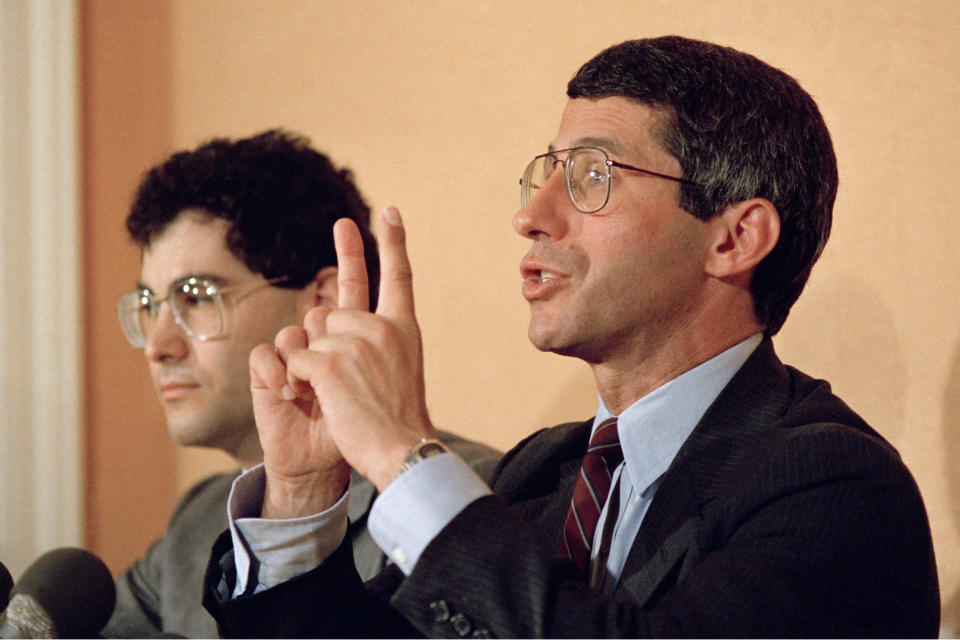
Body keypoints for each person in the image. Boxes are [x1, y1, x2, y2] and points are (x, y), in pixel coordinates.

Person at [202, 37, 940, 637]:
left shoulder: (836, 488)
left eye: (591, 174)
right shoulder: (540, 473)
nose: (533, 216)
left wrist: (405, 455)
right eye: (546, 173)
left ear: (735, 238)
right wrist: (301, 495)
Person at [101, 130, 501, 638]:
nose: (158, 345)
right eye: (149, 305)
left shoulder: (465, 497)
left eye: (196, 297)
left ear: (322, 301)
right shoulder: (199, 518)